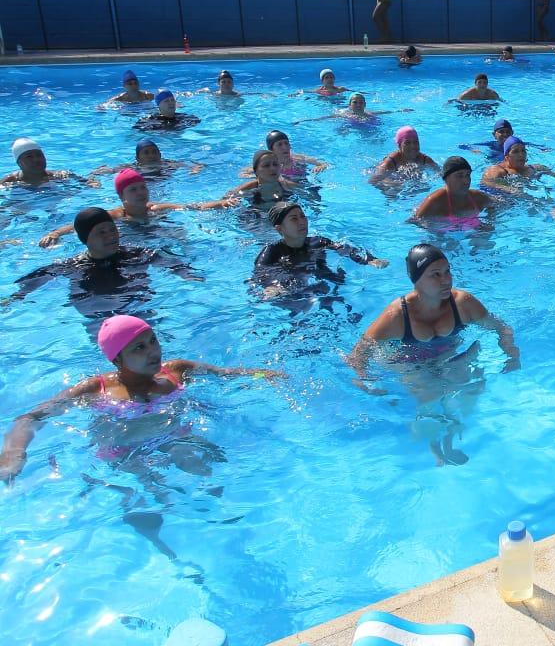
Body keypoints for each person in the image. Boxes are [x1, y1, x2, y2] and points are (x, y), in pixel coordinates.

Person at [0, 314, 277, 483]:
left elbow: (227, 374)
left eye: (153, 340)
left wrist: (266, 375)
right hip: (125, 453)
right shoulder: (95, 390)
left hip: (176, 437)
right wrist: (15, 452)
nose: (153, 351)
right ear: (117, 358)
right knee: (151, 502)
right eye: (139, 347)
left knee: (211, 472)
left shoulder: (177, 371)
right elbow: (31, 417)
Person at [347, 244, 519, 377]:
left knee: (471, 387)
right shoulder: (397, 316)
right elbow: (358, 355)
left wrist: (511, 354)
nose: (446, 280)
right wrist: (365, 380)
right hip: (410, 365)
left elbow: (501, 327)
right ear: (416, 280)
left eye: (447, 271)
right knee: (430, 402)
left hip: (450, 355)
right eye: (435, 274)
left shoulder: (462, 303)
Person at [4, 207, 200, 312]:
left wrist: (187, 274)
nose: (110, 236)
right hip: (97, 313)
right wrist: (17, 297)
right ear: (85, 239)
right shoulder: (74, 266)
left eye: (112, 230)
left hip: (138, 306)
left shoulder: (137, 253)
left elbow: (169, 261)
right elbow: (39, 278)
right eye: (101, 232)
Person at [39, 169, 232, 247]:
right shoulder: (114, 216)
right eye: (133, 190)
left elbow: (191, 207)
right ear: (122, 196)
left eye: (143, 188)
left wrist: (219, 203)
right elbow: (82, 226)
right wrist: (56, 233)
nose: (140, 193)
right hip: (129, 239)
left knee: (181, 236)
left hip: (153, 235)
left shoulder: (155, 208)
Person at [253, 202, 387, 298]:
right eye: (294, 219)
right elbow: (261, 273)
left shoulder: (318, 242)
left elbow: (345, 249)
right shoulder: (271, 252)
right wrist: (272, 286)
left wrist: (369, 260)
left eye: (303, 216)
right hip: (295, 289)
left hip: (324, 282)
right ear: (279, 228)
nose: (302, 222)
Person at [414, 156, 495, 226]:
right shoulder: (434, 201)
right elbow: (415, 222)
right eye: (459, 176)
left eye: (468, 175)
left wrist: (488, 222)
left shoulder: (477, 197)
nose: (466, 181)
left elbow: (496, 205)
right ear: (446, 179)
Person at [481, 137, 555, 194]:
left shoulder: (535, 168)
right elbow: (486, 183)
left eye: (523, 151)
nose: (521, 154)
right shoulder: (496, 170)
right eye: (516, 152)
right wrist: (509, 189)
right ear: (506, 157)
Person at [3, 138, 97, 189]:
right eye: (29, 157)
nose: (36, 159)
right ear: (19, 163)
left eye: (39, 155)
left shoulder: (59, 176)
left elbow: (88, 182)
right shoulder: (10, 181)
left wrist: (93, 180)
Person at [90, 138, 204, 180]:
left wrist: (195, 169)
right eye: (146, 153)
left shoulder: (168, 164)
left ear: (160, 155)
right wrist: (96, 175)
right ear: (138, 158)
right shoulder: (132, 168)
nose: (151, 155)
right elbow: (108, 171)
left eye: (154, 152)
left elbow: (193, 165)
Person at [225, 150, 300, 206]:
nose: (273, 168)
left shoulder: (288, 186)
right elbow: (221, 201)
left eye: (275, 164)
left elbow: (310, 197)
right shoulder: (248, 188)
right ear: (256, 171)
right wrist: (224, 203)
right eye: (266, 165)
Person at [370, 125, 438, 183]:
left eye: (415, 142)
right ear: (399, 145)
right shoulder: (391, 162)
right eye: (407, 143)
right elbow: (373, 181)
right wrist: (391, 183)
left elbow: (442, 173)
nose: (413, 146)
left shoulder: (424, 159)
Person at [294, 93, 410, 125]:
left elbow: (386, 112)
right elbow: (324, 118)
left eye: (361, 102)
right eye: (355, 102)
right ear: (350, 105)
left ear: (365, 104)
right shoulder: (345, 115)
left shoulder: (369, 113)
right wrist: (305, 120)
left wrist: (401, 110)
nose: (358, 104)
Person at [262, 130, 326, 179]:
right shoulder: (267, 164)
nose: (285, 147)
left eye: (286, 143)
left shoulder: (298, 158)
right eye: (280, 144)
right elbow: (254, 170)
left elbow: (324, 163)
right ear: (271, 150)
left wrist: (320, 166)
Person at [134, 90, 199, 132]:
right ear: (159, 105)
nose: (170, 103)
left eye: (172, 100)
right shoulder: (147, 122)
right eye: (166, 101)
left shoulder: (188, 118)